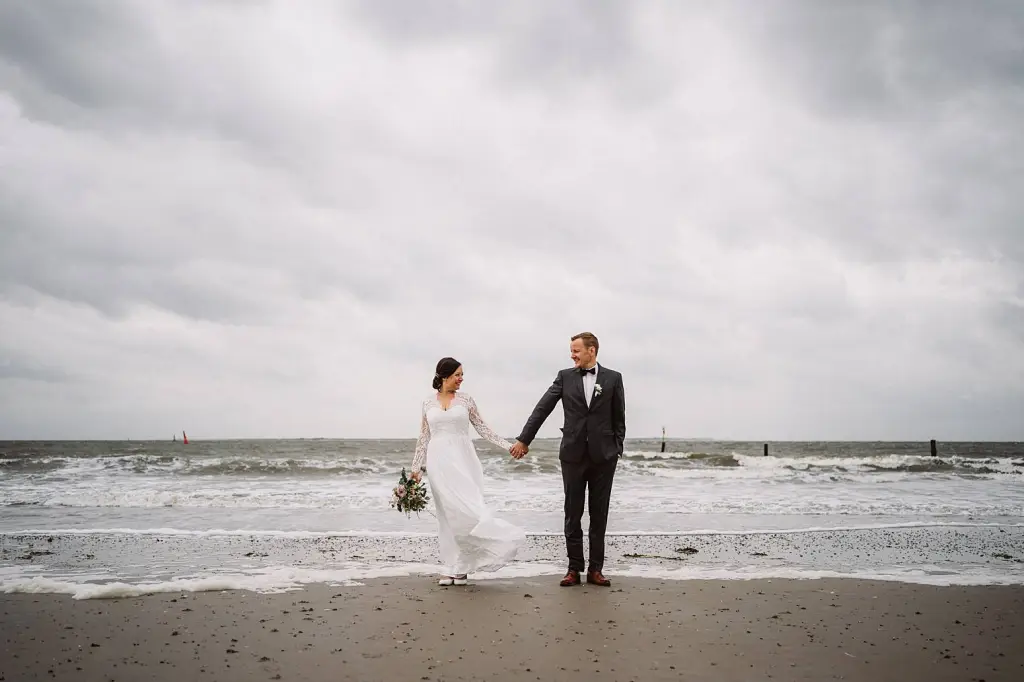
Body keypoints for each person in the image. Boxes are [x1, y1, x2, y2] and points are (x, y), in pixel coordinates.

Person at [510, 332, 625, 587]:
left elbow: (619, 417)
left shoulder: (613, 378)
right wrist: (524, 440)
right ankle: (574, 569)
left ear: (591, 351)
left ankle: (596, 569)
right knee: (572, 513)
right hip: (573, 455)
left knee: (599, 514)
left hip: (604, 457)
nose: (572, 355)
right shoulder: (564, 377)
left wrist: (617, 447)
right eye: (571, 351)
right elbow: (543, 408)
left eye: (576, 350)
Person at [412, 357, 526, 586]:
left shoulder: (466, 400)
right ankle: (451, 566)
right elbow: (424, 437)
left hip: (463, 460)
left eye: (462, 374)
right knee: (447, 515)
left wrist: (509, 446)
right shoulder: (427, 403)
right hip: (437, 463)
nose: (461, 379)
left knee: (468, 510)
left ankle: (464, 564)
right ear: (444, 376)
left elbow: (483, 429)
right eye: (457, 375)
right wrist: (416, 469)